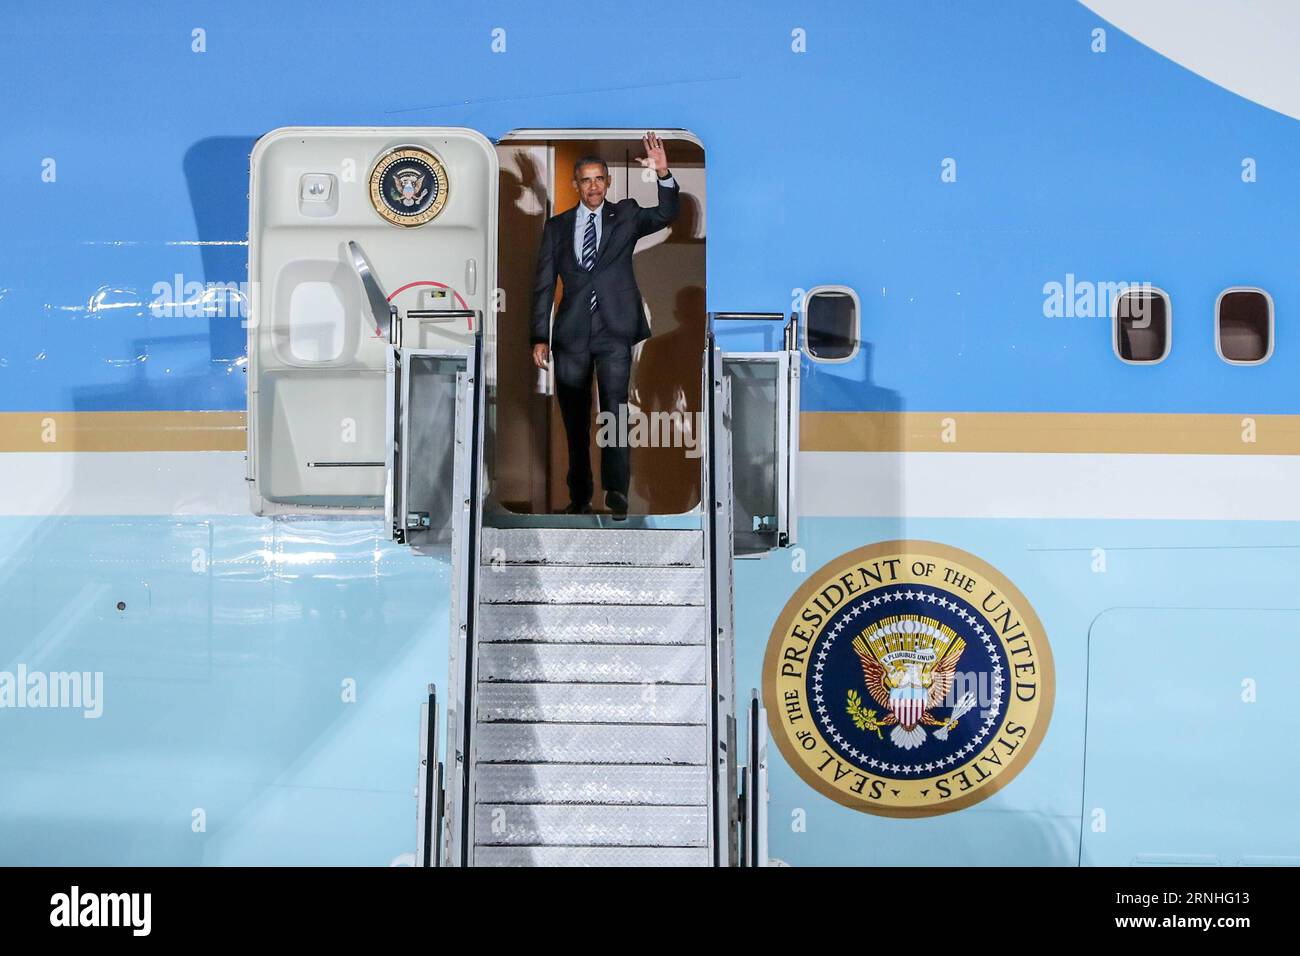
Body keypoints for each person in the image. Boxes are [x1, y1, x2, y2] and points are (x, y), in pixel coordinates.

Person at [530, 132, 679, 519]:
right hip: (571, 336)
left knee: (614, 413)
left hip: (614, 332)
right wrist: (538, 337)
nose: (593, 186)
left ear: (608, 182)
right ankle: (579, 496)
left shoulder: (626, 214)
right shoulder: (558, 227)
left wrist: (663, 173)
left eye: (599, 179)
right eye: (586, 180)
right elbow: (545, 284)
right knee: (574, 420)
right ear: (575, 185)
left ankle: (616, 492)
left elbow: (665, 214)